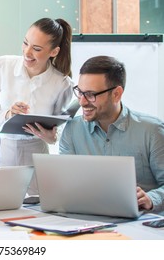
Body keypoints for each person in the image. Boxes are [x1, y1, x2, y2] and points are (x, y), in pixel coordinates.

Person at [59, 55, 164, 215]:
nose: (82, 102)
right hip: (86, 220)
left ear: (116, 94)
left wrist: (150, 199)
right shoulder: (72, 129)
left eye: (91, 94)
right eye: (80, 92)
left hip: (139, 225)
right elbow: (65, 183)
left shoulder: (152, 130)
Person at [0, 18, 74, 195]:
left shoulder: (63, 84)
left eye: (37, 49)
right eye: (26, 43)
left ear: (54, 51)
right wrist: (9, 113)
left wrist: (50, 137)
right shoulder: (3, 65)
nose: (27, 52)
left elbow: (59, 132)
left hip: (37, 152)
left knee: (38, 208)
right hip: (1, 148)